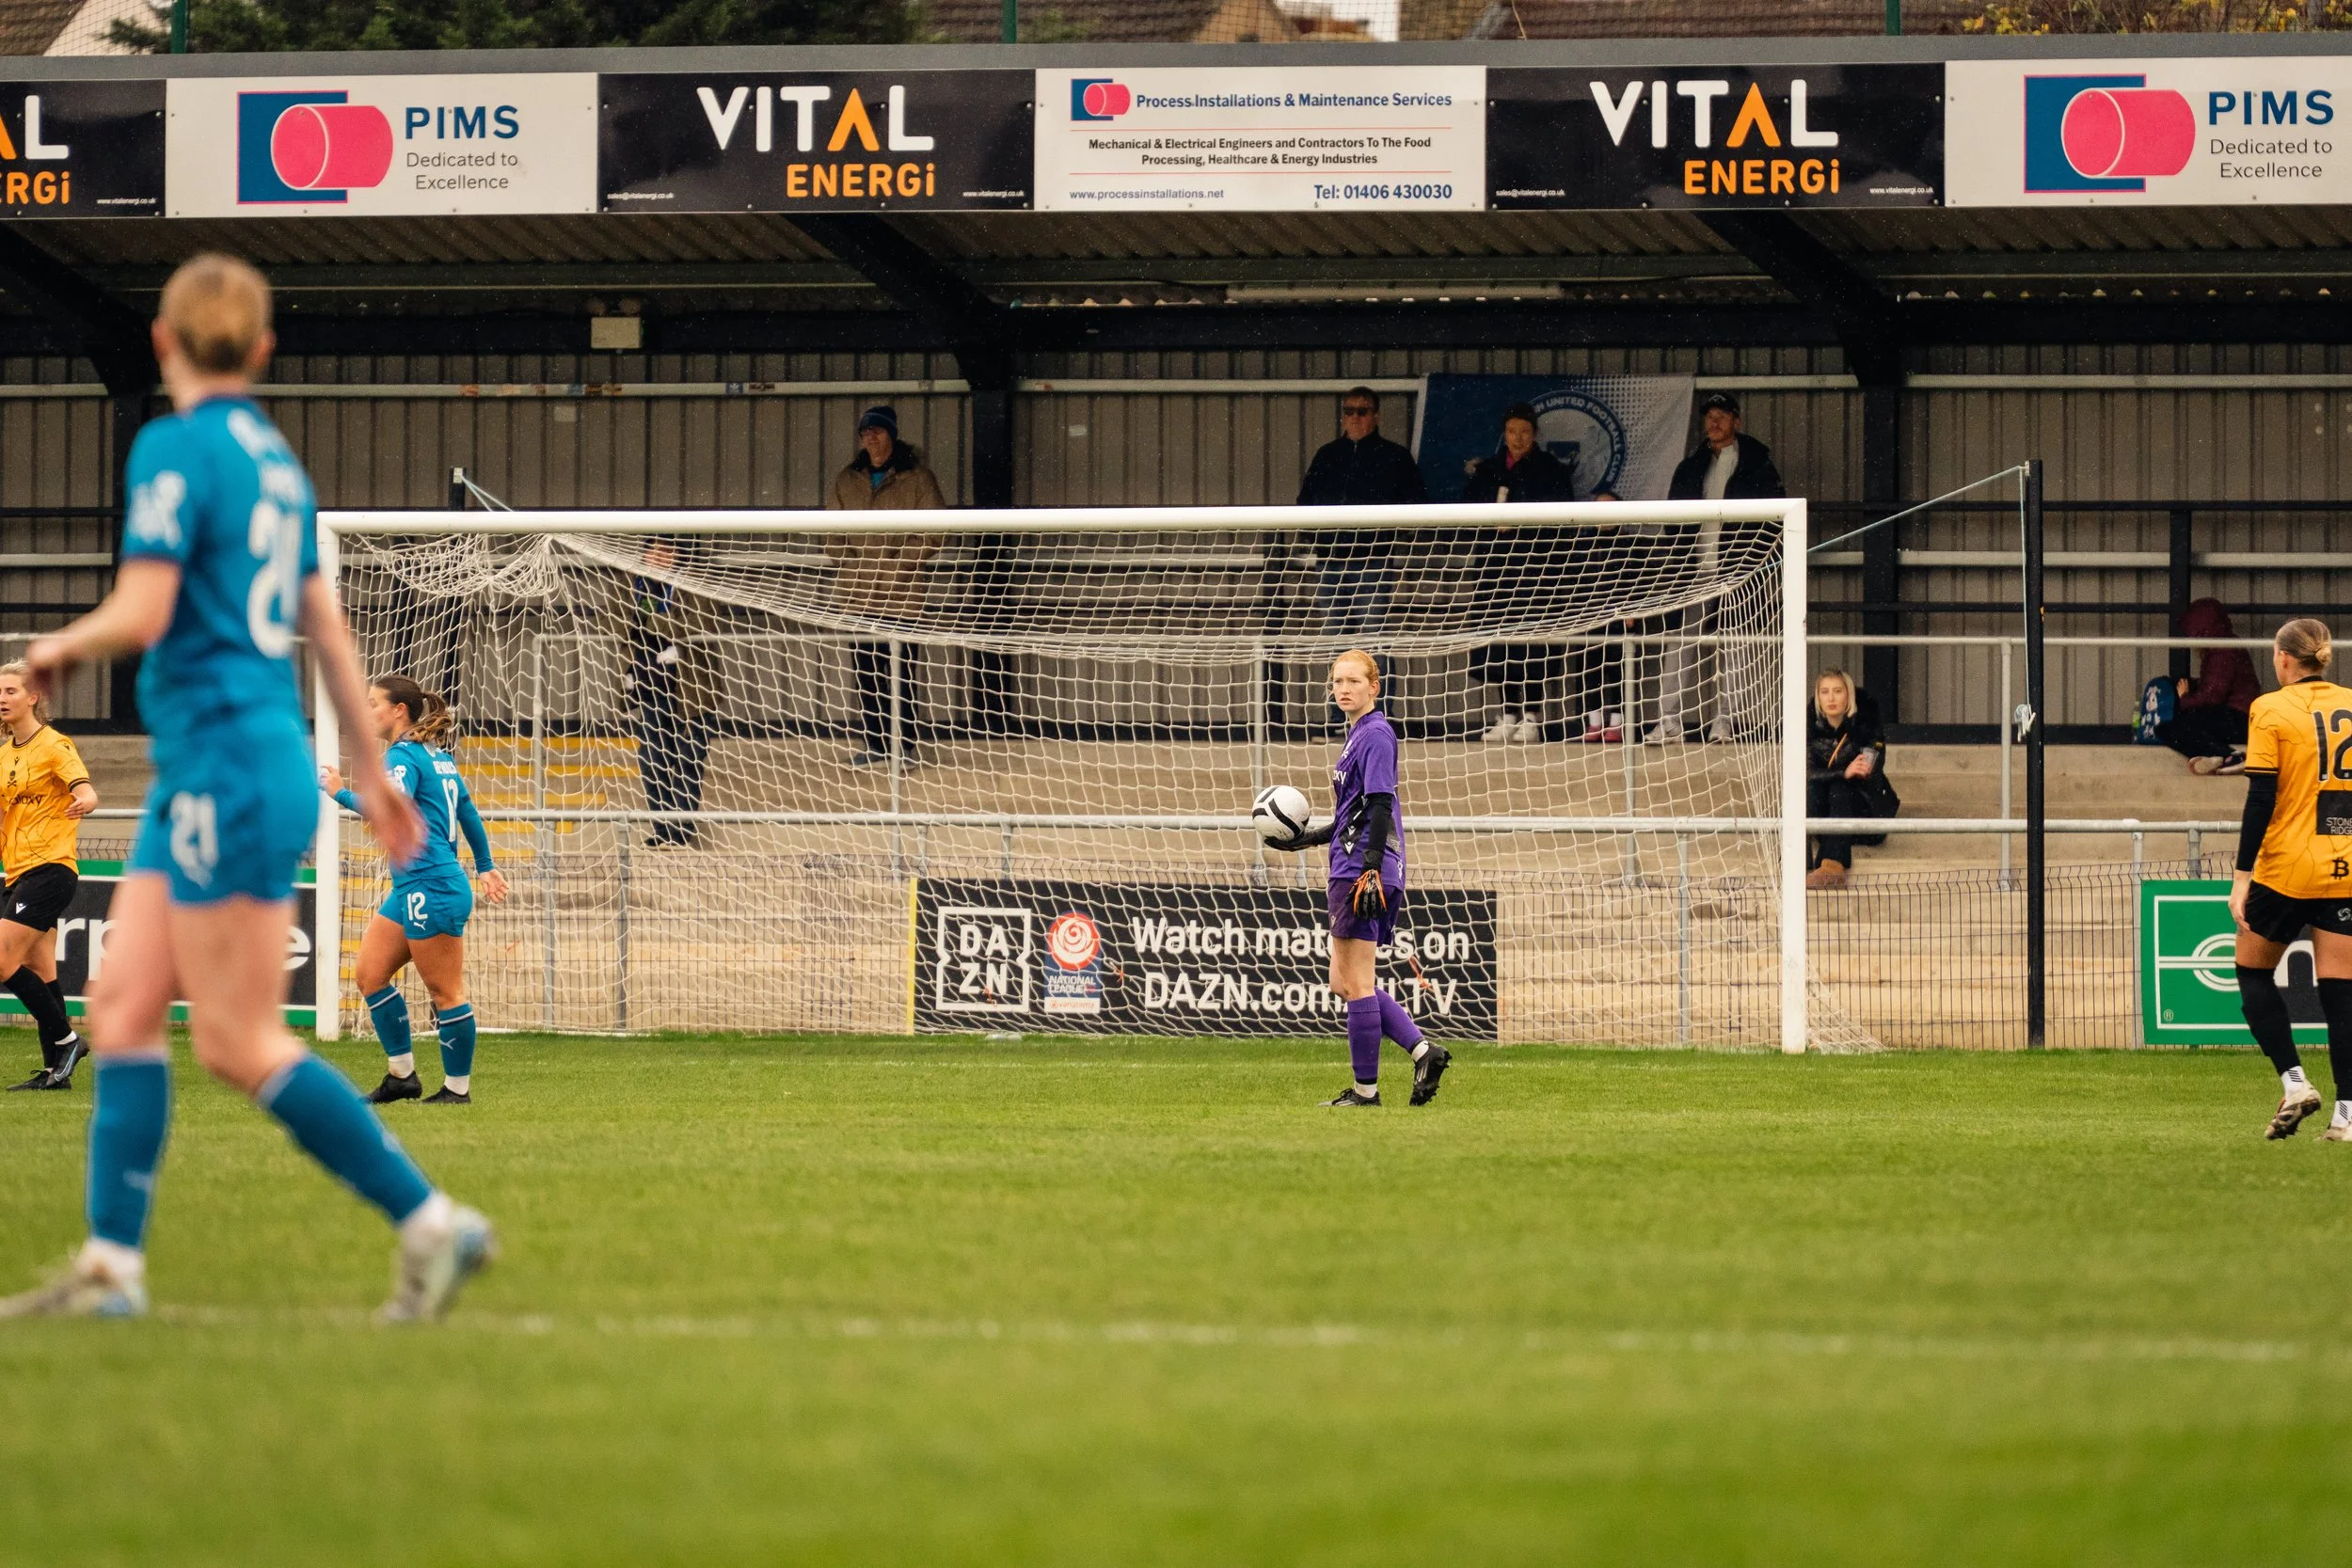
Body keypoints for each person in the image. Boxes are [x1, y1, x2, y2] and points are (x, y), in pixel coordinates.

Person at [0, 253, 494, 1323]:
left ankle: (431, 1221)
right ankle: (112, 1267)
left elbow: (145, 601)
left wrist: (55, 648)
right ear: (265, 352)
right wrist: (367, 763)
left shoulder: (175, 446)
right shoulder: (276, 462)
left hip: (223, 766)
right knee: (123, 1007)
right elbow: (324, 623)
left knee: (233, 1038)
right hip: (239, 761)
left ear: (163, 344)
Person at [1265, 650, 1451, 1108]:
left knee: (1357, 982)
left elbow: (1381, 804)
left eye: (1353, 680)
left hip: (1362, 868)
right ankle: (1425, 1051)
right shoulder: (1357, 736)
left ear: (1374, 687)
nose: (1344, 688)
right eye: (1337, 682)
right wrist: (1308, 838)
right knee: (1343, 981)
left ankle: (1367, 1091)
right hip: (1353, 863)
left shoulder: (1376, 734)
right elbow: (1356, 812)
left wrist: (1369, 866)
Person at [320, 674, 508, 1106]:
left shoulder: (401, 757)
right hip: (415, 885)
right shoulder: (436, 757)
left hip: (433, 884)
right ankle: (402, 1075)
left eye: (374, 704)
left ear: (398, 710)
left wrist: (339, 792)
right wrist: (484, 866)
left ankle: (457, 1090)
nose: (367, 712)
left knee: (445, 992)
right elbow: (467, 811)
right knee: (369, 974)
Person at [2226, 619, 2352, 1141]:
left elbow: (2261, 797)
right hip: (2344, 867)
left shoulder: (2270, 708)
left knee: (2252, 974)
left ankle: (2295, 1081)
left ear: (2283, 658)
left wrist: (2241, 876)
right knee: (2342, 994)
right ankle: (2348, 1116)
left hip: (2285, 868)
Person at [1648, 392, 1786, 745]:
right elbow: (1672, 523)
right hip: (1694, 570)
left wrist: (1753, 564)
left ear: (1736, 421)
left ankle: (1724, 722)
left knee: (1733, 647)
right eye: (1709, 416)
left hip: (1736, 571)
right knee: (1681, 644)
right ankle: (1668, 721)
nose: (1714, 422)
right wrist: (1675, 565)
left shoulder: (1757, 463)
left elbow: (1772, 522)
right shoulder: (1691, 466)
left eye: (1722, 416)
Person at [829, 405, 946, 768]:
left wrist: (899, 565)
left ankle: (903, 746)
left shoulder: (918, 478)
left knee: (901, 669)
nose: (871, 437)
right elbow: (831, 533)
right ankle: (875, 743)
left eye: (877, 431)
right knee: (866, 670)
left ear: (892, 435)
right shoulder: (848, 478)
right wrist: (852, 562)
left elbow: (934, 531)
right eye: (865, 432)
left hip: (901, 593)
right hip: (858, 593)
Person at [0, 659, 96, 1090]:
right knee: (41, 971)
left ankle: (69, 1040)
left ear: (33, 697)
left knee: (2, 960)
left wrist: (86, 800)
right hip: (17, 872)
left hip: (51, 868)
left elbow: (84, 789)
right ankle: (54, 1072)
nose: (2, 699)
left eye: (10, 692)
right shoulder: (4, 755)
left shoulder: (55, 745)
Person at [1463, 404, 1579, 744]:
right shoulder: (1488, 470)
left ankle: (1532, 715)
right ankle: (1508, 712)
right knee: (1503, 643)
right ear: (1504, 434)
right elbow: (1467, 514)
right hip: (1497, 570)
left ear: (1535, 434)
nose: (1518, 438)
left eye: (1524, 432)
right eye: (1512, 432)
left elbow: (1564, 523)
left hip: (1537, 571)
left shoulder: (1551, 470)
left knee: (1535, 643)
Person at [1296, 388, 1426, 655]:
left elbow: (1416, 503)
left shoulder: (1395, 456)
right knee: (1336, 642)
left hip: (1373, 562)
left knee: (1373, 641)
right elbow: (1305, 500)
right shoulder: (1327, 454)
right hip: (1330, 562)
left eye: (1362, 411)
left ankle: (1380, 699)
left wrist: (1385, 537)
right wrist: (1317, 538)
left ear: (1376, 416)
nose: (1355, 417)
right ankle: (1338, 699)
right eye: (1348, 411)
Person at [628, 539, 725, 847]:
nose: (660, 557)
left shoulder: (692, 585)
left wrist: (674, 640)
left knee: (688, 758)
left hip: (692, 688)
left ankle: (681, 830)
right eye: (654, 550)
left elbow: (700, 623)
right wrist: (630, 670)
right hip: (652, 687)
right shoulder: (638, 588)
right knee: (652, 758)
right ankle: (662, 828)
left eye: (668, 551)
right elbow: (626, 629)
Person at [1804, 669, 1899, 889]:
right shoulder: (1810, 728)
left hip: (1865, 815)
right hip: (1827, 818)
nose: (1831, 698)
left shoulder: (1866, 726)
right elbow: (1804, 772)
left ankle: (1832, 867)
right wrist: (1843, 771)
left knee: (1840, 787)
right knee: (1811, 788)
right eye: (1824, 692)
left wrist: (1843, 776)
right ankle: (1799, 860)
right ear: (1817, 697)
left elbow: (1867, 771)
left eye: (1837, 691)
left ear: (1849, 695)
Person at [2157, 598, 2262, 774]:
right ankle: (2219, 757)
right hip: (2240, 717)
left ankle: (2231, 756)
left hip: (2238, 718)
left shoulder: (2223, 650)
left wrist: (2184, 697)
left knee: (2174, 727)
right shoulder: (2224, 647)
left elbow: (2212, 695)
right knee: (2170, 728)